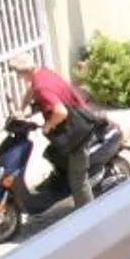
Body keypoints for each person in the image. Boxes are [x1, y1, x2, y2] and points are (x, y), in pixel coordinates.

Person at [17, 61, 102, 210]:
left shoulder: (42, 87)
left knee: (78, 179)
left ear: (25, 73)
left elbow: (60, 112)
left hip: (77, 130)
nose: (20, 78)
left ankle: (88, 213)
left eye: (19, 75)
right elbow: (32, 90)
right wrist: (21, 109)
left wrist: (48, 125)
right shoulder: (42, 73)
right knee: (53, 153)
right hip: (72, 122)